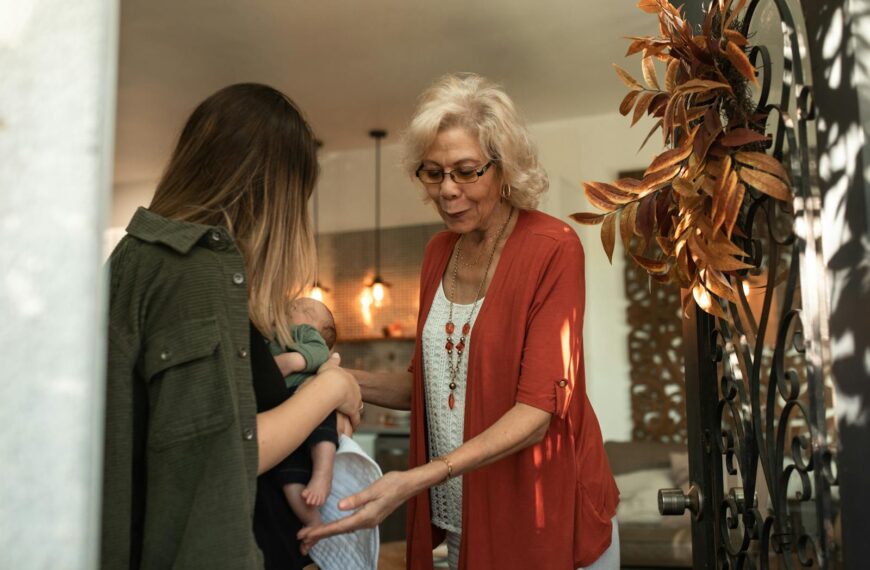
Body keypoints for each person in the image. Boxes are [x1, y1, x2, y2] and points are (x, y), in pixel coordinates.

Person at [298, 73, 621, 570]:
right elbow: (426, 386)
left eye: (466, 171)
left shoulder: (553, 247)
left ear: (503, 167)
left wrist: (419, 477)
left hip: (542, 508)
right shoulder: (437, 253)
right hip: (461, 510)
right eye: (433, 172)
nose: (448, 190)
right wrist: (334, 381)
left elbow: (535, 415)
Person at [102, 83, 362, 570]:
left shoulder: (134, 261)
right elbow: (224, 453)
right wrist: (332, 389)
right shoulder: (195, 271)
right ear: (276, 194)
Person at [268, 298, 340, 527]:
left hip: (306, 396)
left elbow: (320, 353)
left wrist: (294, 361)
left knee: (323, 432)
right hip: (282, 407)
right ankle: (313, 524)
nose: (294, 308)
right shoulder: (274, 334)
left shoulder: (303, 333)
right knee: (288, 474)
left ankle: (323, 473)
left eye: (305, 310)